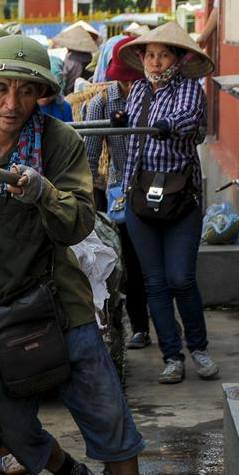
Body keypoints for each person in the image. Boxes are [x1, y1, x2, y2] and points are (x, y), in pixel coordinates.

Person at [0, 35, 149, 475]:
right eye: (0, 89)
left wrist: (43, 194)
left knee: (106, 414)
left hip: (58, 303)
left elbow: (79, 220)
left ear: (40, 95)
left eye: (25, 91)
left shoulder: (60, 142)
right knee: (12, 429)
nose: (11, 104)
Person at [118, 23, 218, 384]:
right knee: (154, 283)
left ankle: (199, 348)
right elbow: (129, 144)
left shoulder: (189, 89)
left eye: (163, 55)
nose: (156, 62)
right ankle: (172, 357)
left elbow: (189, 123)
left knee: (181, 278)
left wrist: (163, 125)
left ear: (177, 58)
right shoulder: (137, 91)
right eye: (150, 55)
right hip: (140, 198)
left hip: (181, 199)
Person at [84, 36, 151, 350]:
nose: (129, 86)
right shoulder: (101, 103)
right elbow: (89, 156)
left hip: (157, 189)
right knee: (133, 263)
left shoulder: (155, 97)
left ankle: (162, 322)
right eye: (124, 80)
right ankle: (139, 326)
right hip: (121, 193)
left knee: (156, 265)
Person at [52, 26, 98, 95]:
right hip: (88, 93)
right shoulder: (89, 56)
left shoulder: (71, 59)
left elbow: (65, 79)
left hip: (72, 95)